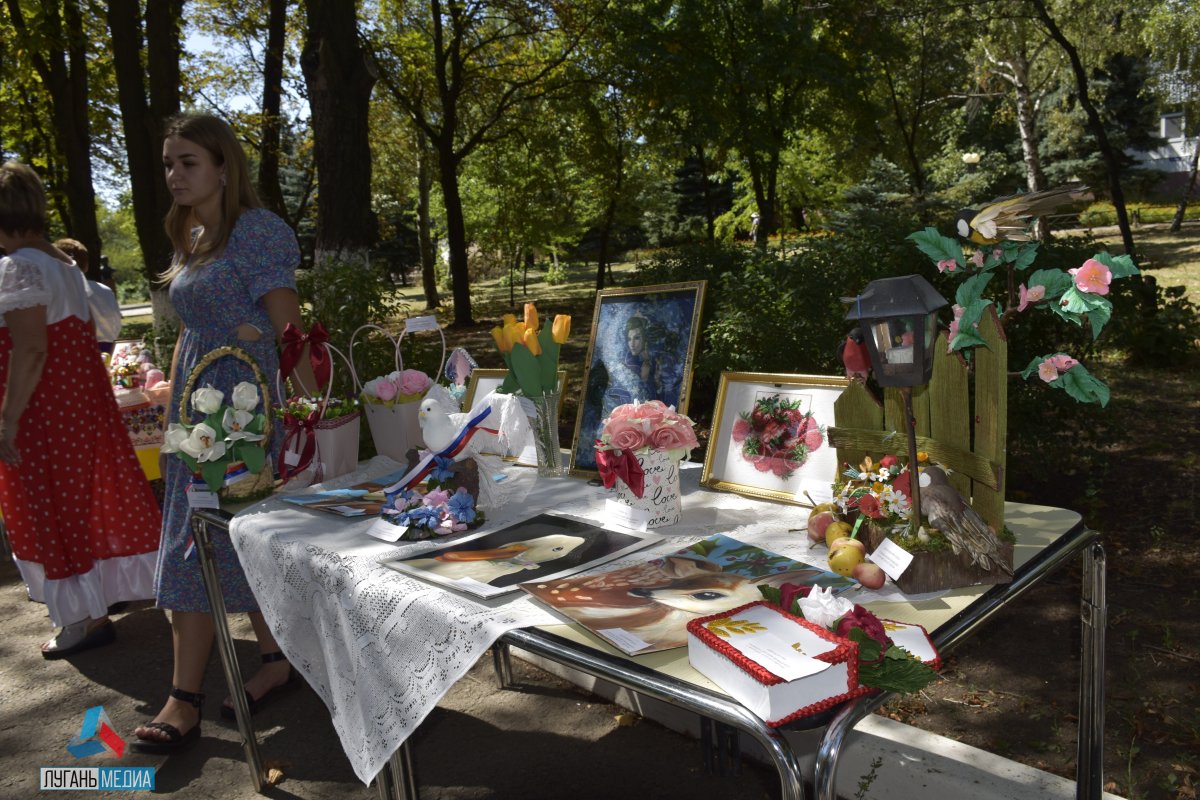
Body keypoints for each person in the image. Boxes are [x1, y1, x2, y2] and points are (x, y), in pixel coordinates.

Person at [133, 113, 316, 754]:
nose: (175, 175)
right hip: (198, 414)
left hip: (240, 417)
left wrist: (309, 415)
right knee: (229, 537)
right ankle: (275, 656)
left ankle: (183, 701)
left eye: (188, 162)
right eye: (168, 164)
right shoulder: (195, 231)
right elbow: (192, 328)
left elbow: (288, 332)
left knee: (200, 545)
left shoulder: (256, 231)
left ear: (221, 166)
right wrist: (172, 402)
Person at [0, 161, 162, 658]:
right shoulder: (65, 265)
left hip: (42, 411)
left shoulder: (18, 265)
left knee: (49, 507)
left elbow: (30, 350)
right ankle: (88, 610)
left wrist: (7, 420)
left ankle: (81, 619)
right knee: (77, 504)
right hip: (76, 406)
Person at [53, 238, 122, 353]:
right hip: (107, 350)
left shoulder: (56, 294)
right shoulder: (104, 290)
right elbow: (115, 325)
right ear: (86, 266)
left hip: (74, 352)